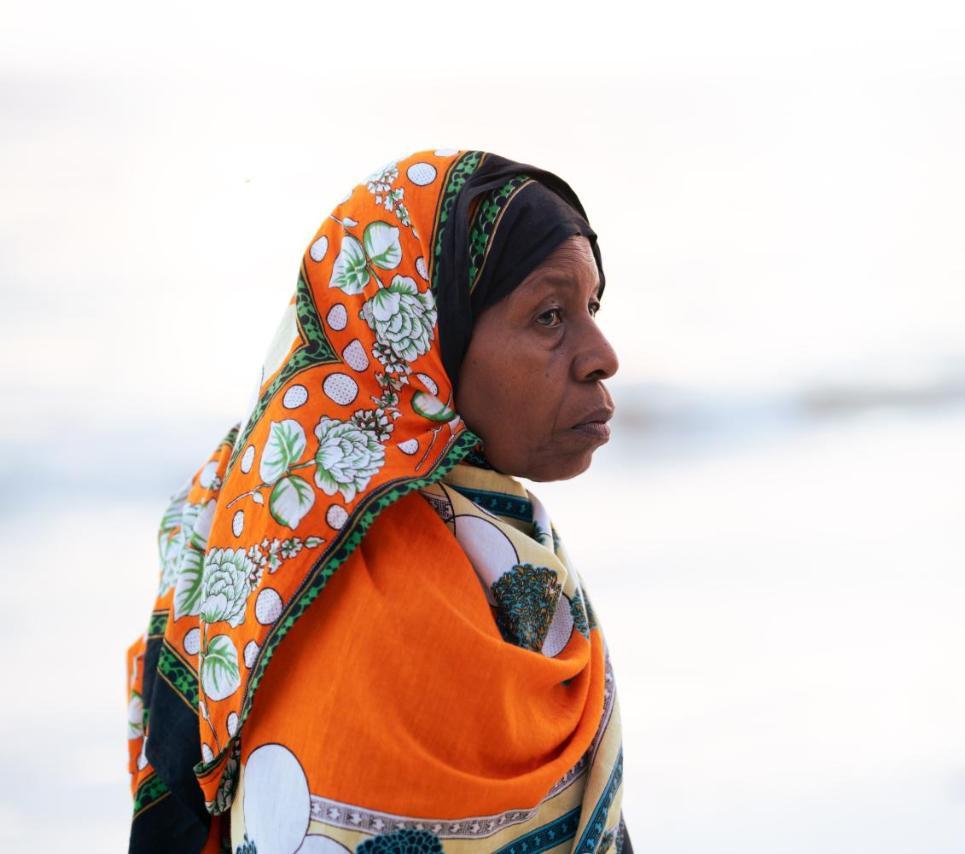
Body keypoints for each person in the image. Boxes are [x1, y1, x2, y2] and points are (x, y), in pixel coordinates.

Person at [125, 150, 631, 854]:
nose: (602, 353)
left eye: (592, 307)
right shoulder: (349, 595)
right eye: (550, 315)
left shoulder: (505, 546)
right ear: (424, 336)